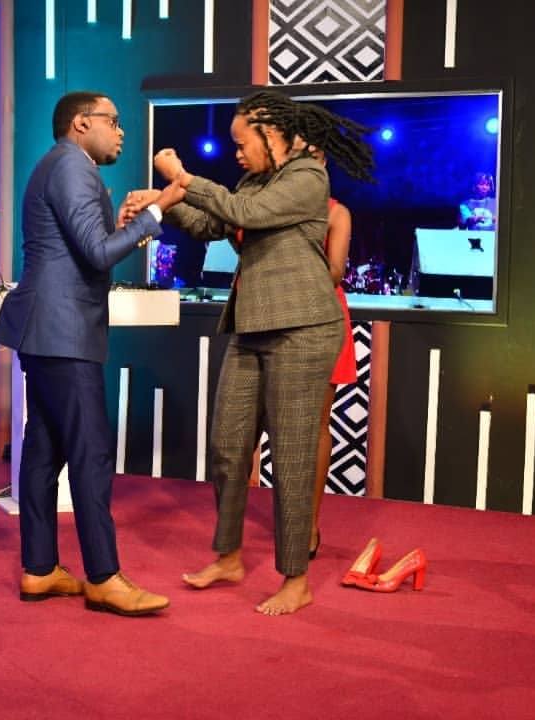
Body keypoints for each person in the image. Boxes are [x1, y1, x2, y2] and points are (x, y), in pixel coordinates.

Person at [133, 90, 375, 616]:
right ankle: (228, 558)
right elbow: (214, 223)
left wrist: (183, 178)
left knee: (291, 456)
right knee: (228, 446)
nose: (237, 153)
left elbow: (249, 213)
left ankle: (296, 579)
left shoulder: (307, 176)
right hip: (252, 325)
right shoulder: (252, 181)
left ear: (272, 134)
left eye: (243, 143)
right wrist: (164, 203)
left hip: (303, 329)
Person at [0, 90, 184, 617]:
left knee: (45, 449)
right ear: (81, 124)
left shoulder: (62, 165)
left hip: (49, 329)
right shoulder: (73, 167)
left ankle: (39, 568)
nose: (121, 132)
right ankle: (103, 577)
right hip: (63, 331)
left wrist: (124, 226)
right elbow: (97, 255)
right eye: (113, 121)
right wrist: (160, 208)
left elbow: (85, 249)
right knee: (91, 453)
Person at [309, 162, 357, 560]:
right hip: (272, 317)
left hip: (322, 318)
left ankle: (307, 526)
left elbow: (336, 272)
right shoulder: (269, 201)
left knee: (316, 426)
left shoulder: (336, 212)